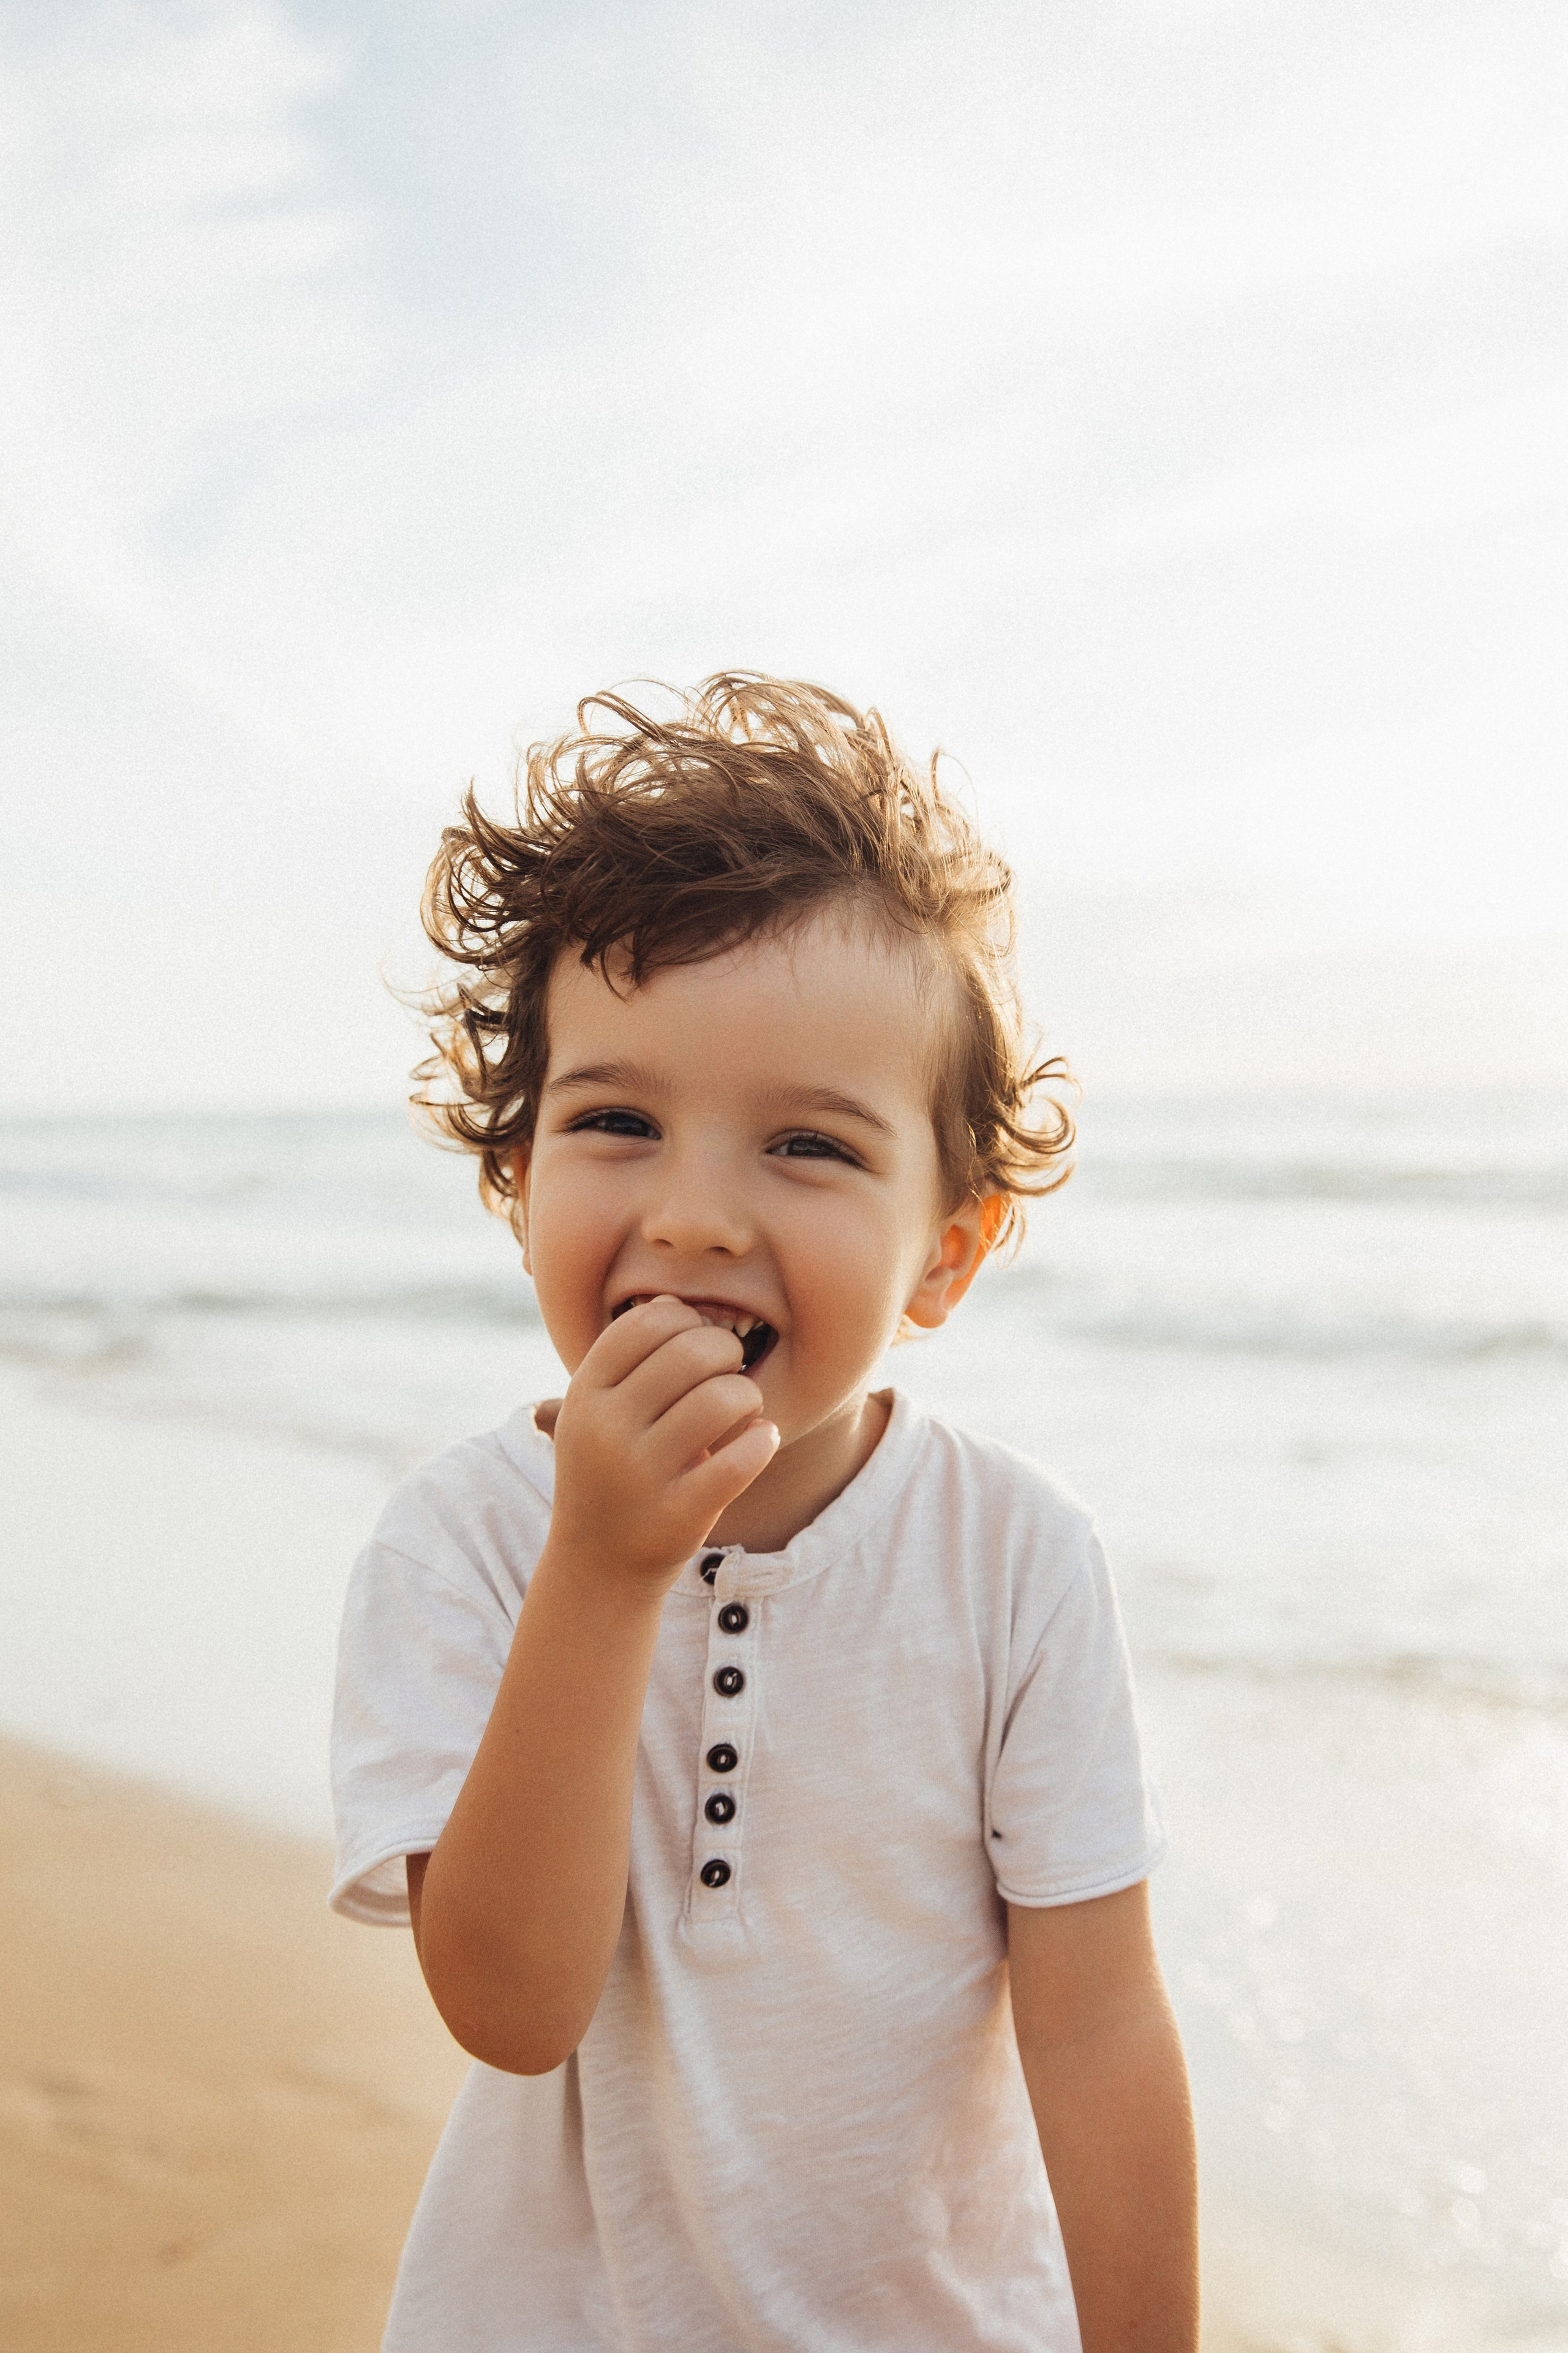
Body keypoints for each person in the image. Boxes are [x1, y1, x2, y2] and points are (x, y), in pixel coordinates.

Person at [330, 674, 1199, 2352]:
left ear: (944, 1254)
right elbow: (509, 2009)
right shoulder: (466, 1544)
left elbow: (1095, 2026)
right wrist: (602, 1570)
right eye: (616, 1121)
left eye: (808, 1144)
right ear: (517, 1181)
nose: (697, 1215)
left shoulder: (1012, 1560)